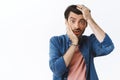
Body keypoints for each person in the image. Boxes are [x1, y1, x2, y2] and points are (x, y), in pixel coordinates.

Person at [49, 4, 114, 80]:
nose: (77, 26)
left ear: (86, 24)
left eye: (82, 22)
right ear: (66, 22)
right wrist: (74, 44)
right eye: (73, 21)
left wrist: (89, 19)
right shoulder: (56, 41)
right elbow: (57, 70)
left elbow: (108, 46)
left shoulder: (89, 42)